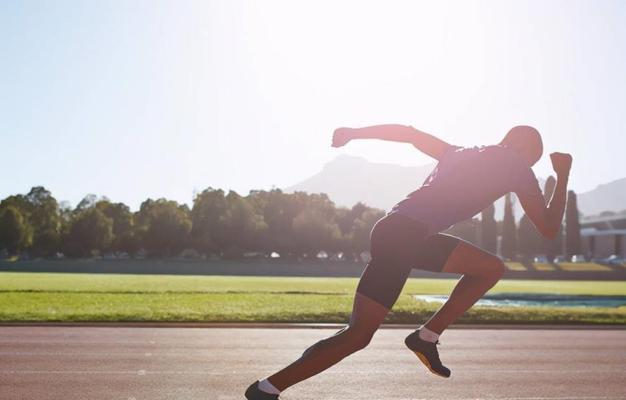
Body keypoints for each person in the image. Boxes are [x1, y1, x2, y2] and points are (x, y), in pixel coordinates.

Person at [245, 124, 572, 399]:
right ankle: (267, 389)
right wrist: (562, 174)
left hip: (399, 230)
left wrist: (354, 132)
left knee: (489, 268)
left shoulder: (457, 151)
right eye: (534, 159)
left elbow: (409, 133)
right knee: (358, 335)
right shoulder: (516, 164)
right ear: (524, 148)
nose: (531, 167)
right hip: (407, 236)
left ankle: (426, 337)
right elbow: (548, 227)